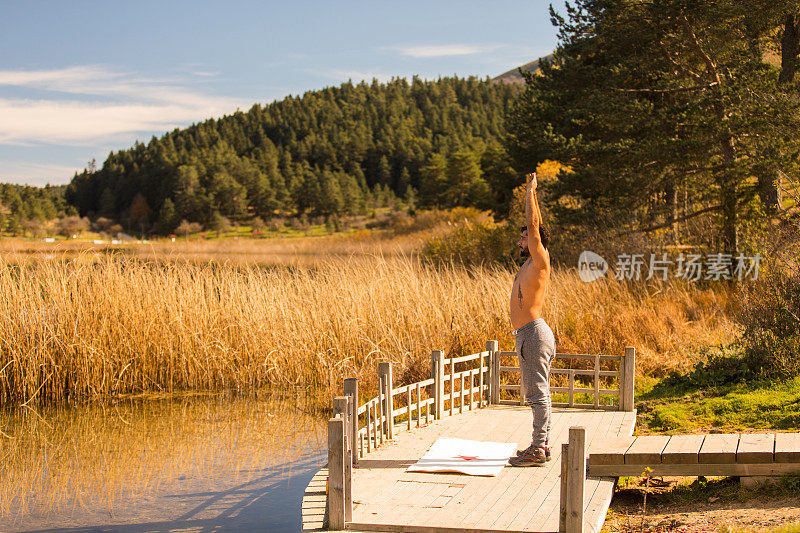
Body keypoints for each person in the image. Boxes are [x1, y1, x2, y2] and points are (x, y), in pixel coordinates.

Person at [508, 172, 555, 467]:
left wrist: (530, 192)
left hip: (534, 333)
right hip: (528, 334)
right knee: (539, 392)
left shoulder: (540, 258)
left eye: (524, 236)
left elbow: (535, 224)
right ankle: (543, 445)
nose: (520, 239)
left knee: (537, 394)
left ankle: (538, 448)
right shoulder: (528, 262)